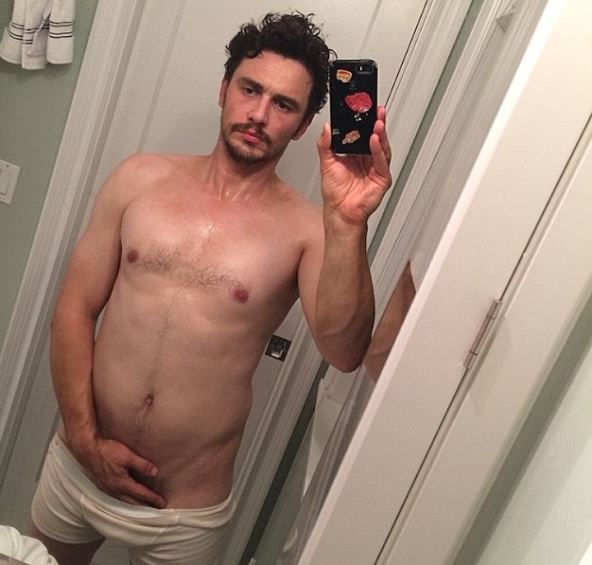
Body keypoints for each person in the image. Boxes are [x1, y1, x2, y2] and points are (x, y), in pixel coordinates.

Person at [29, 12, 394, 565]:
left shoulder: (307, 231)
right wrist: (83, 438)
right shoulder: (138, 179)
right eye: (251, 89)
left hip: (184, 512)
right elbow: (75, 309)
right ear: (225, 89)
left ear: (302, 127)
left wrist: (347, 224)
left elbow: (345, 352)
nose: (259, 114)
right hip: (77, 466)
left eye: (284, 105)